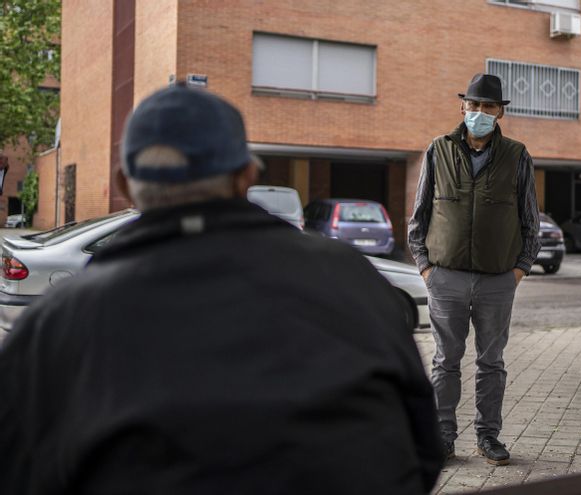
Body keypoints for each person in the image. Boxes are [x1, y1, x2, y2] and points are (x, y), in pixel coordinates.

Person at [0, 85, 443, 494]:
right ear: (247, 175)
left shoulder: (56, 326)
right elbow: (424, 445)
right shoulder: (352, 279)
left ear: (124, 184)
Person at [408, 73, 540, 465]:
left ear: (500, 113)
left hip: (498, 279)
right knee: (445, 360)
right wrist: (425, 267)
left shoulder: (517, 155)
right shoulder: (438, 149)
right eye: (474, 105)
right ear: (463, 107)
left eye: (488, 107)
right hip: (445, 277)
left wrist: (519, 270)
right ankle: (443, 436)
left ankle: (488, 437)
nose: (479, 113)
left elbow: (530, 219)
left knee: (491, 362)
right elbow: (419, 215)